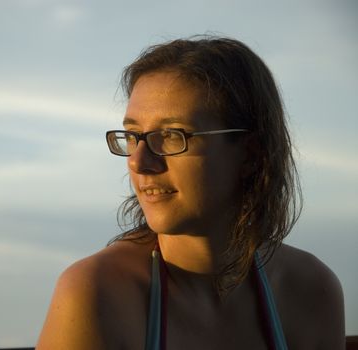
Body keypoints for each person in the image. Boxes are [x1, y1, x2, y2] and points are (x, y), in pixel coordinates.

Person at [36, 36, 345, 349]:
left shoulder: (310, 290)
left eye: (171, 135)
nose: (139, 162)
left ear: (251, 154)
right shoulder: (97, 293)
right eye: (132, 135)